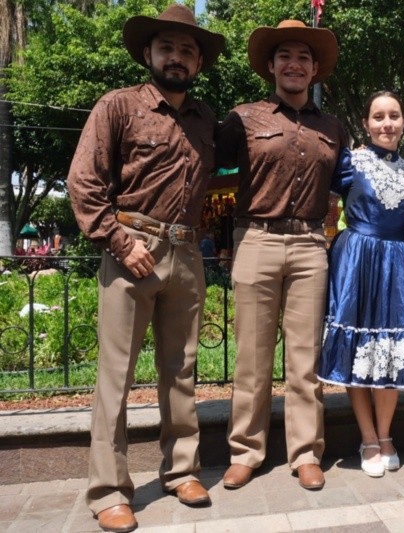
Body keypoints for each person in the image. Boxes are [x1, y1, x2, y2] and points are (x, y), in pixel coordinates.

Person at [66, 4, 225, 531]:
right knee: (116, 376)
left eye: (187, 51)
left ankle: (181, 470)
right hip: (130, 249)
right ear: (149, 54)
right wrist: (117, 239)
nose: (176, 58)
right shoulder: (118, 106)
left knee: (181, 370)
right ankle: (109, 489)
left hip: (187, 254)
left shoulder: (205, 120)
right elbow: (84, 183)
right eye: (167, 48)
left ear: (198, 63)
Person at [216, 20, 347, 491]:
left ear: (314, 70)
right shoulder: (243, 118)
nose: (295, 64)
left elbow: (347, 186)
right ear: (271, 65)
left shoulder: (333, 127)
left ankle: (306, 452)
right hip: (257, 241)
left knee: (304, 359)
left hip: (311, 245)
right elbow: (202, 166)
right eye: (286, 56)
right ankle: (246, 451)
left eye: (304, 58)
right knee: (251, 359)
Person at [317, 91, 404, 477]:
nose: (387, 123)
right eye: (379, 117)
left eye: (394, 116)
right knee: (358, 349)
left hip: (397, 264)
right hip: (356, 262)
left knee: (389, 352)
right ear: (366, 124)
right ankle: (367, 437)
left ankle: (385, 435)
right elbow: (327, 209)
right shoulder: (351, 163)